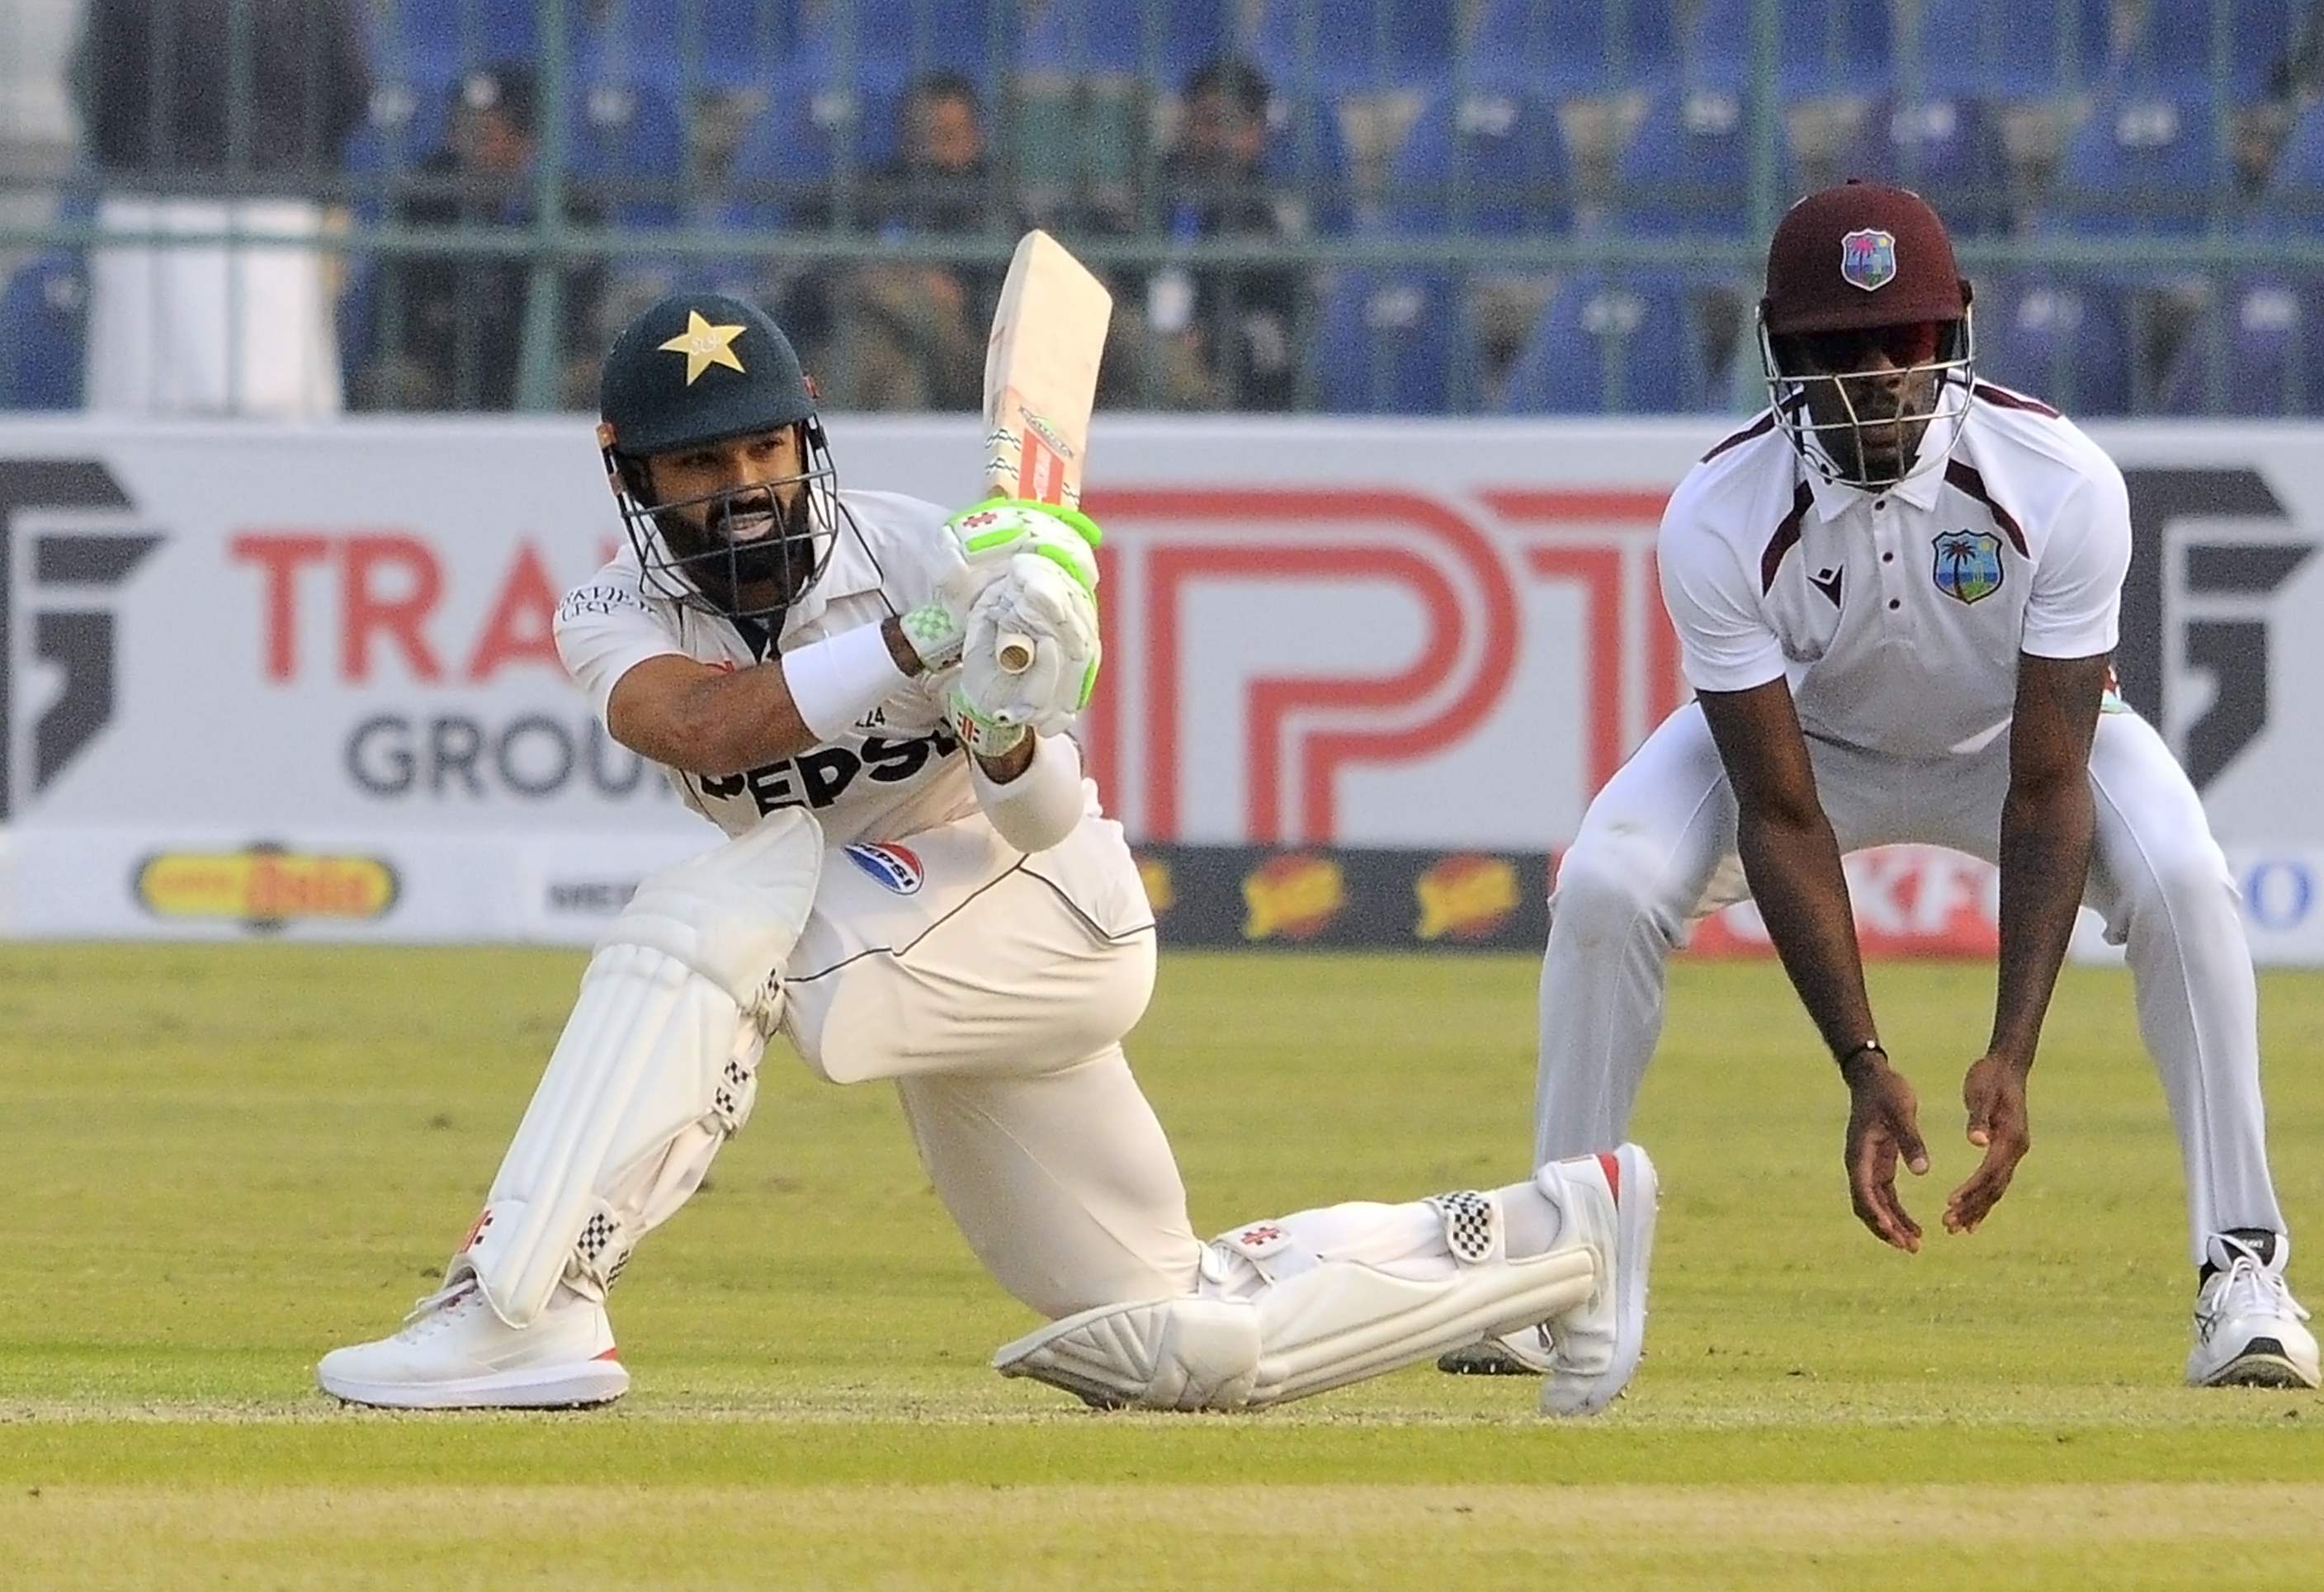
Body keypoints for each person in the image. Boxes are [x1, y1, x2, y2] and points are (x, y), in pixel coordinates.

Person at [315, 288, 1656, 1418]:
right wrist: (913, 645)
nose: (740, 489)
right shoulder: (614, 606)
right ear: (632, 474)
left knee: (726, 914)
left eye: (759, 452)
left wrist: (1004, 706)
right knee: (1171, 1333)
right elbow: (707, 730)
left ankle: (528, 1299)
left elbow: (1040, 817)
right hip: (911, 955)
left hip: (1037, 910)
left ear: (805, 437)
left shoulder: (927, 551)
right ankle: (1552, 1239)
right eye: (699, 466)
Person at [1460, 182, 2319, 1391]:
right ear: (1779, 352)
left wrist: (2008, 1049)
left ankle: (2242, 1272)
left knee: (2183, 881)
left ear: (1951, 334)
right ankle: (1550, 1275)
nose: (1873, 375)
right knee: (1604, 883)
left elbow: (2045, 785)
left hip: (2011, 744)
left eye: (1901, 341)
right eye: (1832, 348)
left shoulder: (2060, 482)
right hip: (1805, 753)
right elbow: (1779, 811)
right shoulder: (1715, 513)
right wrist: (1863, 1062)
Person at [71, 0, 370, 417]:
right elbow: (352, 94)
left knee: (145, 420)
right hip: (277, 220)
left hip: (152, 215)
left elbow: (95, 97)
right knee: (278, 429)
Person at [352, 65, 603, 412]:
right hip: (440, 368)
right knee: (391, 385)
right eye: (456, 131)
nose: (463, 148)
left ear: (525, 142)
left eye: (482, 135)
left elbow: (572, 317)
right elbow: (405, 313)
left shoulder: (570, 206)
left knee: (584, 384)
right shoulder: (422, 199)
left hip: (534, 367)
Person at [775, 69, 999, 413]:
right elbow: (798, 283)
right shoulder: (862, 198)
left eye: (948, 138)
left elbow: (1009, 306)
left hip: (968, 363)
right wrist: (885, 283)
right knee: (889, 360)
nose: (932, 153)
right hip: (882, 352)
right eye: (919, 139)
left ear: (976, 139)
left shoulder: (1000, 210)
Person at [1133, 56, 1306, 413]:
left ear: (1257, 133)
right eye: (1203, 123)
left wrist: (1210, 338)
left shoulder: (1273, 218)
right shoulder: (1146, 197)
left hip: (1235, 394)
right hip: (1135, 362)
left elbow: (1287, 333)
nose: (1213, 140)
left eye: (1229, 124)